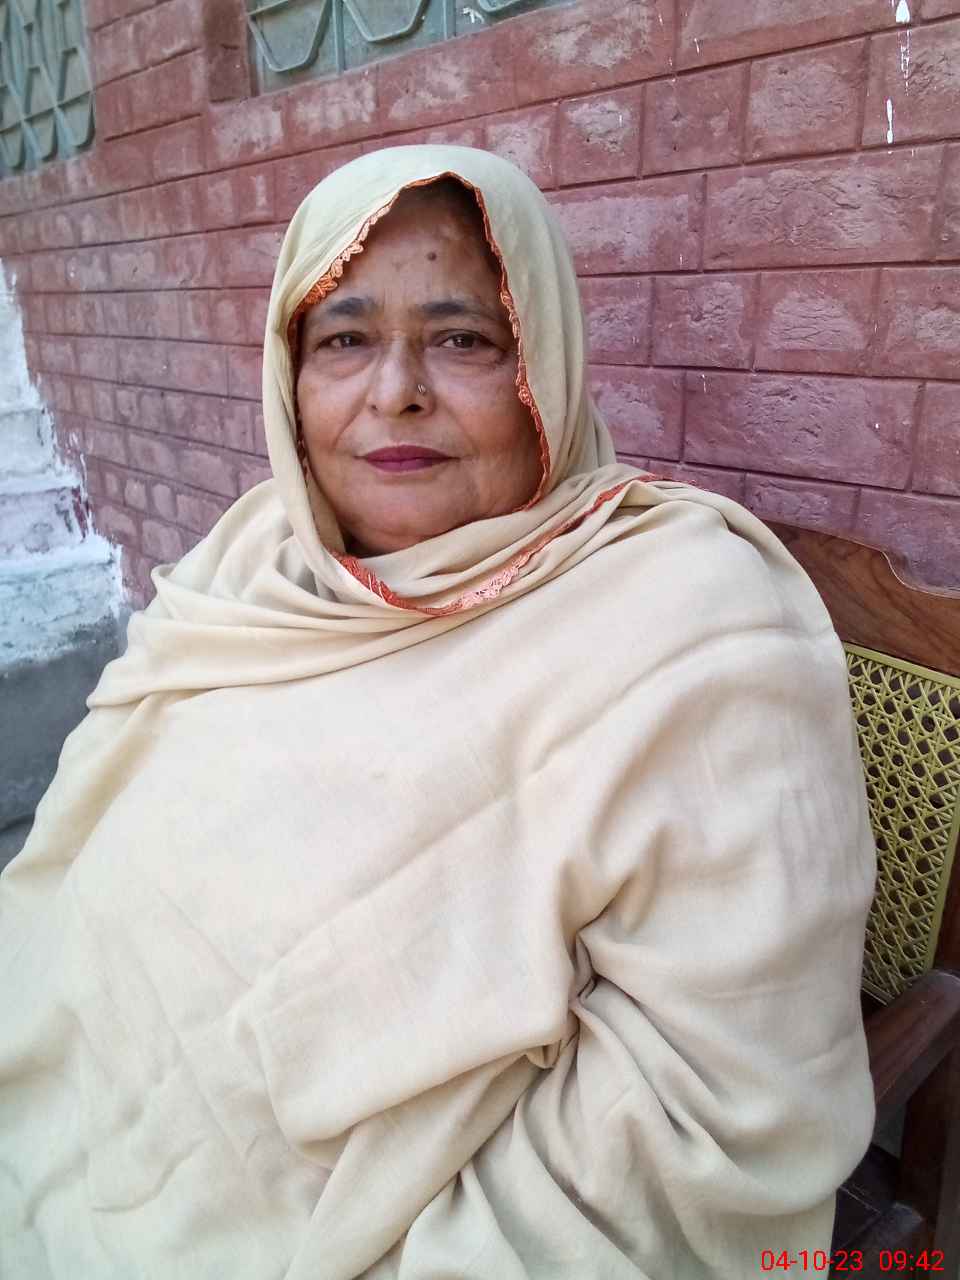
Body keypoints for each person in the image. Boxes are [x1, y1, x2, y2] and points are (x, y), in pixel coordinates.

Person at [0, 145, 876, 1278]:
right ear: (289, 375)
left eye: (462, 338)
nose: (395, 392)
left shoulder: (691, 625)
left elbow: (701, 1120)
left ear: (544, 360)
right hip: (74, 1121)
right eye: (344, 340)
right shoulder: (255, 565)